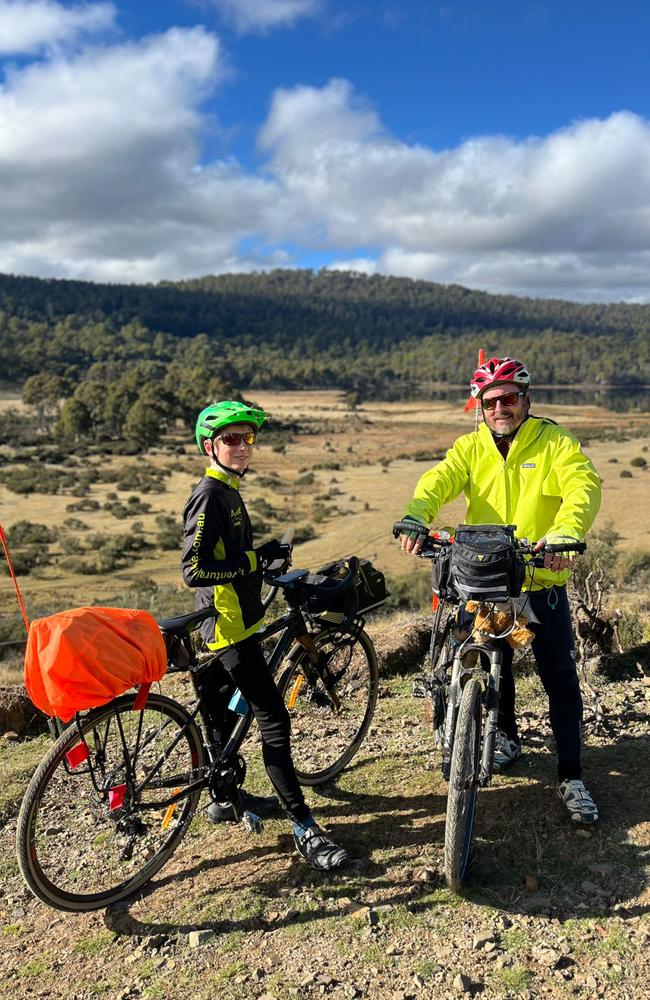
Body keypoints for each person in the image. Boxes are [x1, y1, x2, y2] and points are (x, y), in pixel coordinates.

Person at [396, 357, 602, 825]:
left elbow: (582, 485)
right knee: (494, 663)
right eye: (491, 402)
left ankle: (571, 776)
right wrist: (417, 515)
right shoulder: (470, 447)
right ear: (480, 407)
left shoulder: (554, 442)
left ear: (525, 399)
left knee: (559, 678)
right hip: (487, 579)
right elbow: (439, 480)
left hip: (538, 579)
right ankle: (504, 736)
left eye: (509, 399)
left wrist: (566, 533)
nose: (500, 408)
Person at [181, 399, 349, 869]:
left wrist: (262, 553)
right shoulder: (212, 494)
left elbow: (223, 552)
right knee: (274, 718)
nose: (241, 446)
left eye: (247, 438)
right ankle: (304, 827)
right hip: (228, 628)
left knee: (220, 713)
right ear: (209, 446)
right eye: (230, 439)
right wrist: (255, 562)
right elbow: (194, 569)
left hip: (228, 622)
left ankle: (223, 797)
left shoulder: (228, 490)